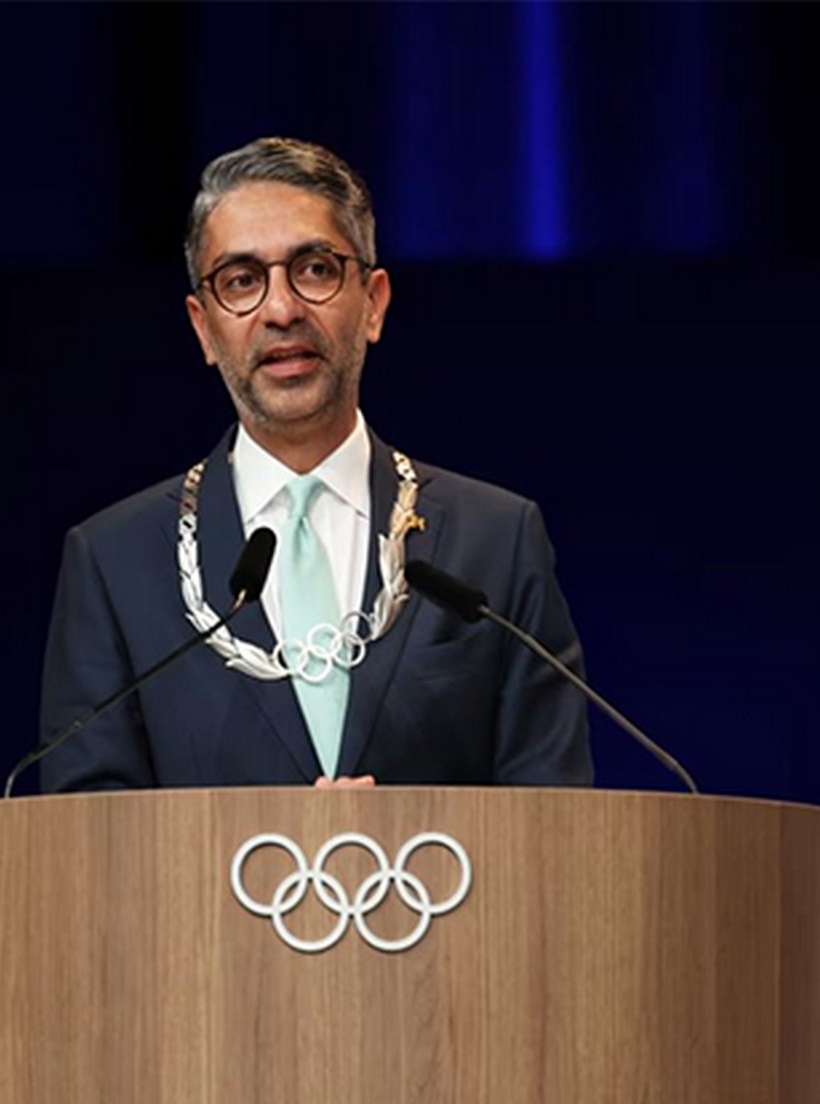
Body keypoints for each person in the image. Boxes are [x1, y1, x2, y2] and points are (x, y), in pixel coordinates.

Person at [38, 137, 592, 792]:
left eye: (316, 269)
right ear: (203, 328)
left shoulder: (495, 541)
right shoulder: (114, 561)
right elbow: (86, 844)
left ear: (374, 302)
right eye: (241, 281)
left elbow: (555, 824)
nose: (281, 310)